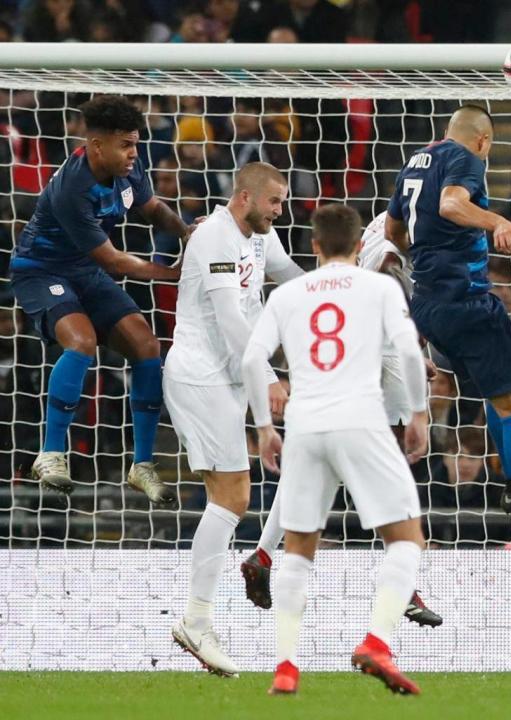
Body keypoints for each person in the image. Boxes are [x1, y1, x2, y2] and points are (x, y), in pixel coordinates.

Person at [241, 204, 429, 696]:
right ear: (359, 245)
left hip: (304, 425)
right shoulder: (380, 287)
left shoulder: (288, 294)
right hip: (361, 419)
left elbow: (251, 357)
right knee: (406, 539)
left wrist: (264, 427)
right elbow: (409, 353)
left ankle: (285, 668)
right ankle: (376, 642)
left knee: (298, 552)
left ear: (314, 245)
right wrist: (417, 414)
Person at [384, 105, 511, 563]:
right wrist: (498, 222)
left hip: (428, 303)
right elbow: (451, 203)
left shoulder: (416, 160)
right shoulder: (467, 158)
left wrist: (432, 257)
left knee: (502, 395)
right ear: (483, 141)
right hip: (466, 301)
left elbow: (396, 230)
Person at [10, 95, 189, 503]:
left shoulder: (128, 168)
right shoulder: (73, 187)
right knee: (82, 340)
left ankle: (142, 465)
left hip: (84, 271)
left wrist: (185, 233)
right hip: (41, 271)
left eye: (136, 144)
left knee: (146, 343)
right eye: (126, 145)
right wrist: (175, 273)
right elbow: (114, 261)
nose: (134, 153)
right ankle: (51, 453)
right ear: (97, 146)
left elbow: (152, 206)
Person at [165, 161, 304, 678]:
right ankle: (196, 621)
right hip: (200, 375)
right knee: (232, 497)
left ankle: (197, 618)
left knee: (232, 496)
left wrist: (340, 283)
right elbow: (229, 321)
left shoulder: (262, 239)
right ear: (245, 197)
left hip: (227, 379)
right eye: (275, 201)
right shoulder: (213, 238)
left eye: (283, 202)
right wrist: (267, 378)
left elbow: (291, 277)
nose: (280, 210)